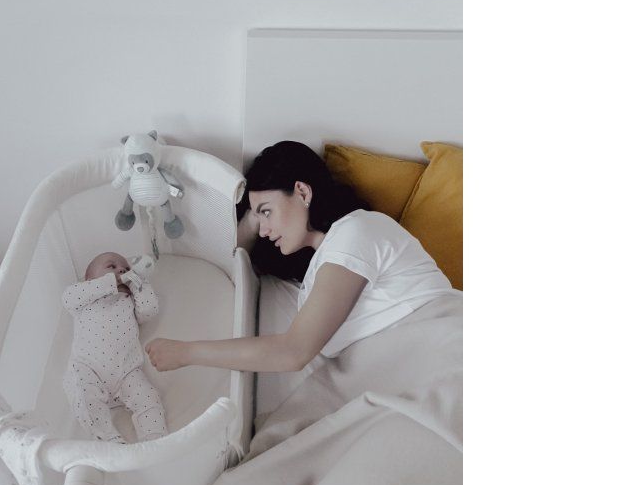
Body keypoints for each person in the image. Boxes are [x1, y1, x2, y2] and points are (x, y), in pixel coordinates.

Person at [146, 141, 454, 373]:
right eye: (258, 219)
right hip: (407, 366)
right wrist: (253, 218)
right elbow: (229, 259)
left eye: (267, 212)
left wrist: (185, 353)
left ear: (303, 193)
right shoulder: (319, 270)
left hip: (443, 351)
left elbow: (293, 352)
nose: (263, 230)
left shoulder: (355, 231)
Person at [62, 251, 167, 443]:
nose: (122, 270)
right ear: (89, 279)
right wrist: (110, 282)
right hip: (88, 368)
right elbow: (68, 298)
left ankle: (154, 441)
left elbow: (149, 311)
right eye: (112, 266)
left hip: (126, 371)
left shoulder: (128, 301)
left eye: (126, 269)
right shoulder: (83, 298)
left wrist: (138, 282)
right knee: (84, 397)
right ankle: (110, 441)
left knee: (149, 397)